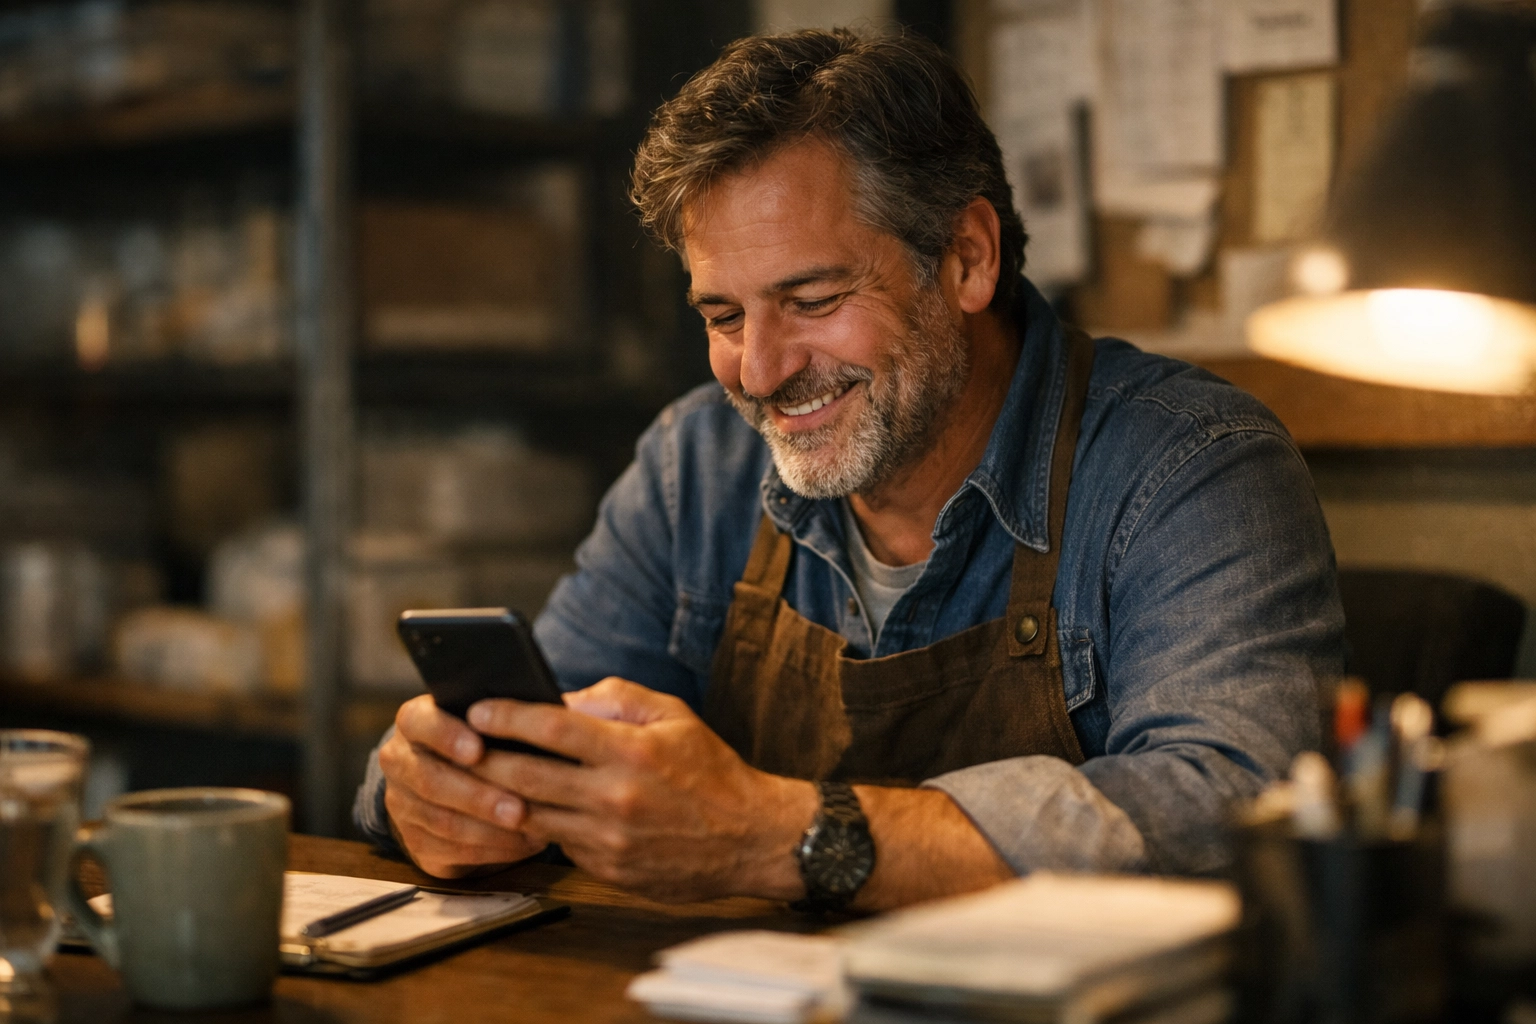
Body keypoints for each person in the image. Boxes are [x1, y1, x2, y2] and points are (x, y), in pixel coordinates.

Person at [355, 28, 1342, 912]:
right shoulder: (693, 468)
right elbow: (535, 737)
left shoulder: (1190, 466)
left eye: (814, 298)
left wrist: (774, 832)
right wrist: (440, 791)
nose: (763, 369)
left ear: (965, 258)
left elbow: (1233, 815)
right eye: (723, 316)